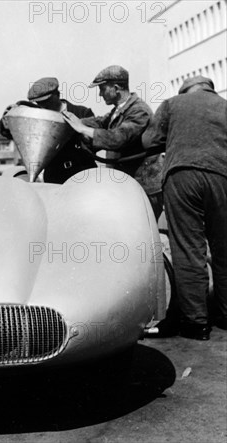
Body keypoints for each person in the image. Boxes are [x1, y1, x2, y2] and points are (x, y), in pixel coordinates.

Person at [142, 76, 227, 340]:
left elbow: (149, 141)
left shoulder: (172, 104)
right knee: (224, 247)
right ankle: (224, 315)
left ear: (185, 90)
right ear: (210, 90)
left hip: (183, 176)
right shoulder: (225, 106)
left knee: (188, 249)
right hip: (223, 177)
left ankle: (196, 323)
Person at [62, 65, 163, 219]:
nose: (100, 94)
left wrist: (82, 129)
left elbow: (117, 138)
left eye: (102, 88)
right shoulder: (120, 109)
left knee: (140, 235)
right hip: (130, 187)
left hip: (144, 189)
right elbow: (101, 122)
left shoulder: (139, 110)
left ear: (116, 88)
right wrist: (72, 121)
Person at [0, 77, 97, 184]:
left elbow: (95, 142)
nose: (43, 106)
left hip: (82, 173)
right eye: (39, 103)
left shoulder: (82, 113)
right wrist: (6, 122)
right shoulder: (37, 118)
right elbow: (13, 132)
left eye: (47, 101)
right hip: (54, 177)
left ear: (57, 94)